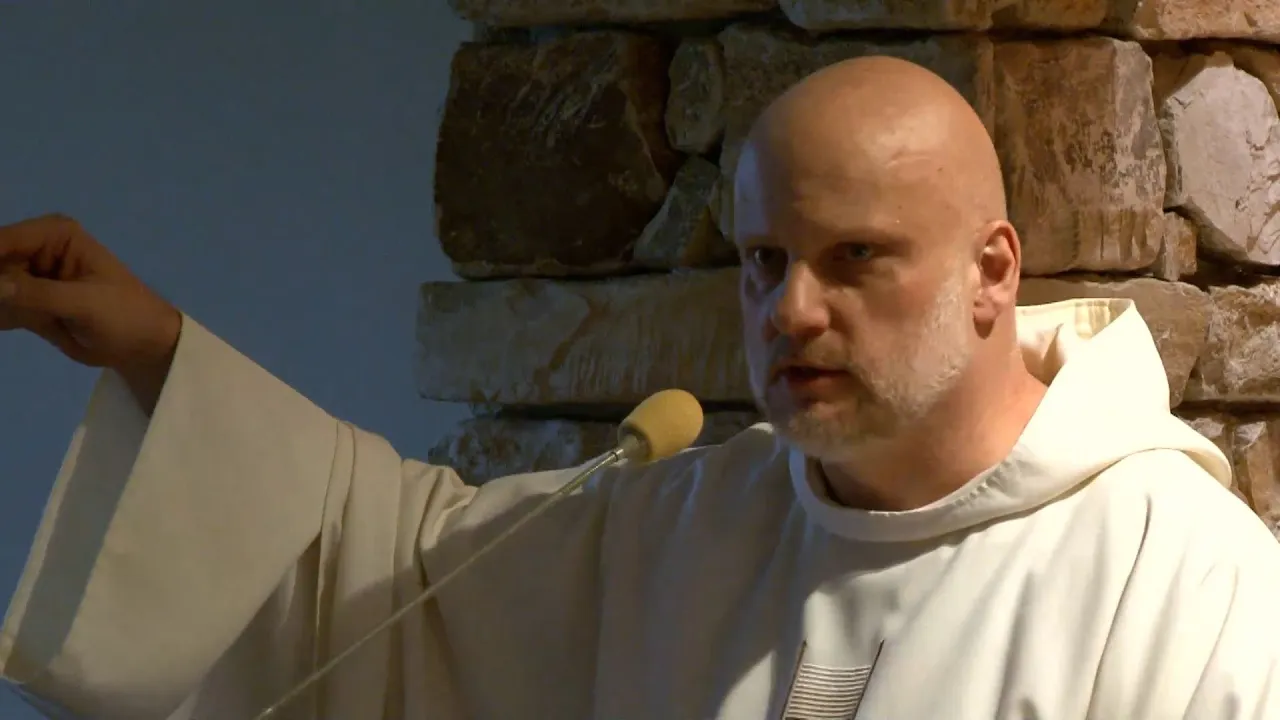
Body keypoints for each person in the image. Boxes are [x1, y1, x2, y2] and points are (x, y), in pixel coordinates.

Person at [1, 55, 1277, 720]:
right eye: (763, 261)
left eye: (854, 258)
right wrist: (151, 345)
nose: (790, 310)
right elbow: (393, 579)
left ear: (990, 270)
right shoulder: (687, 528)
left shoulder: (1177, 578)